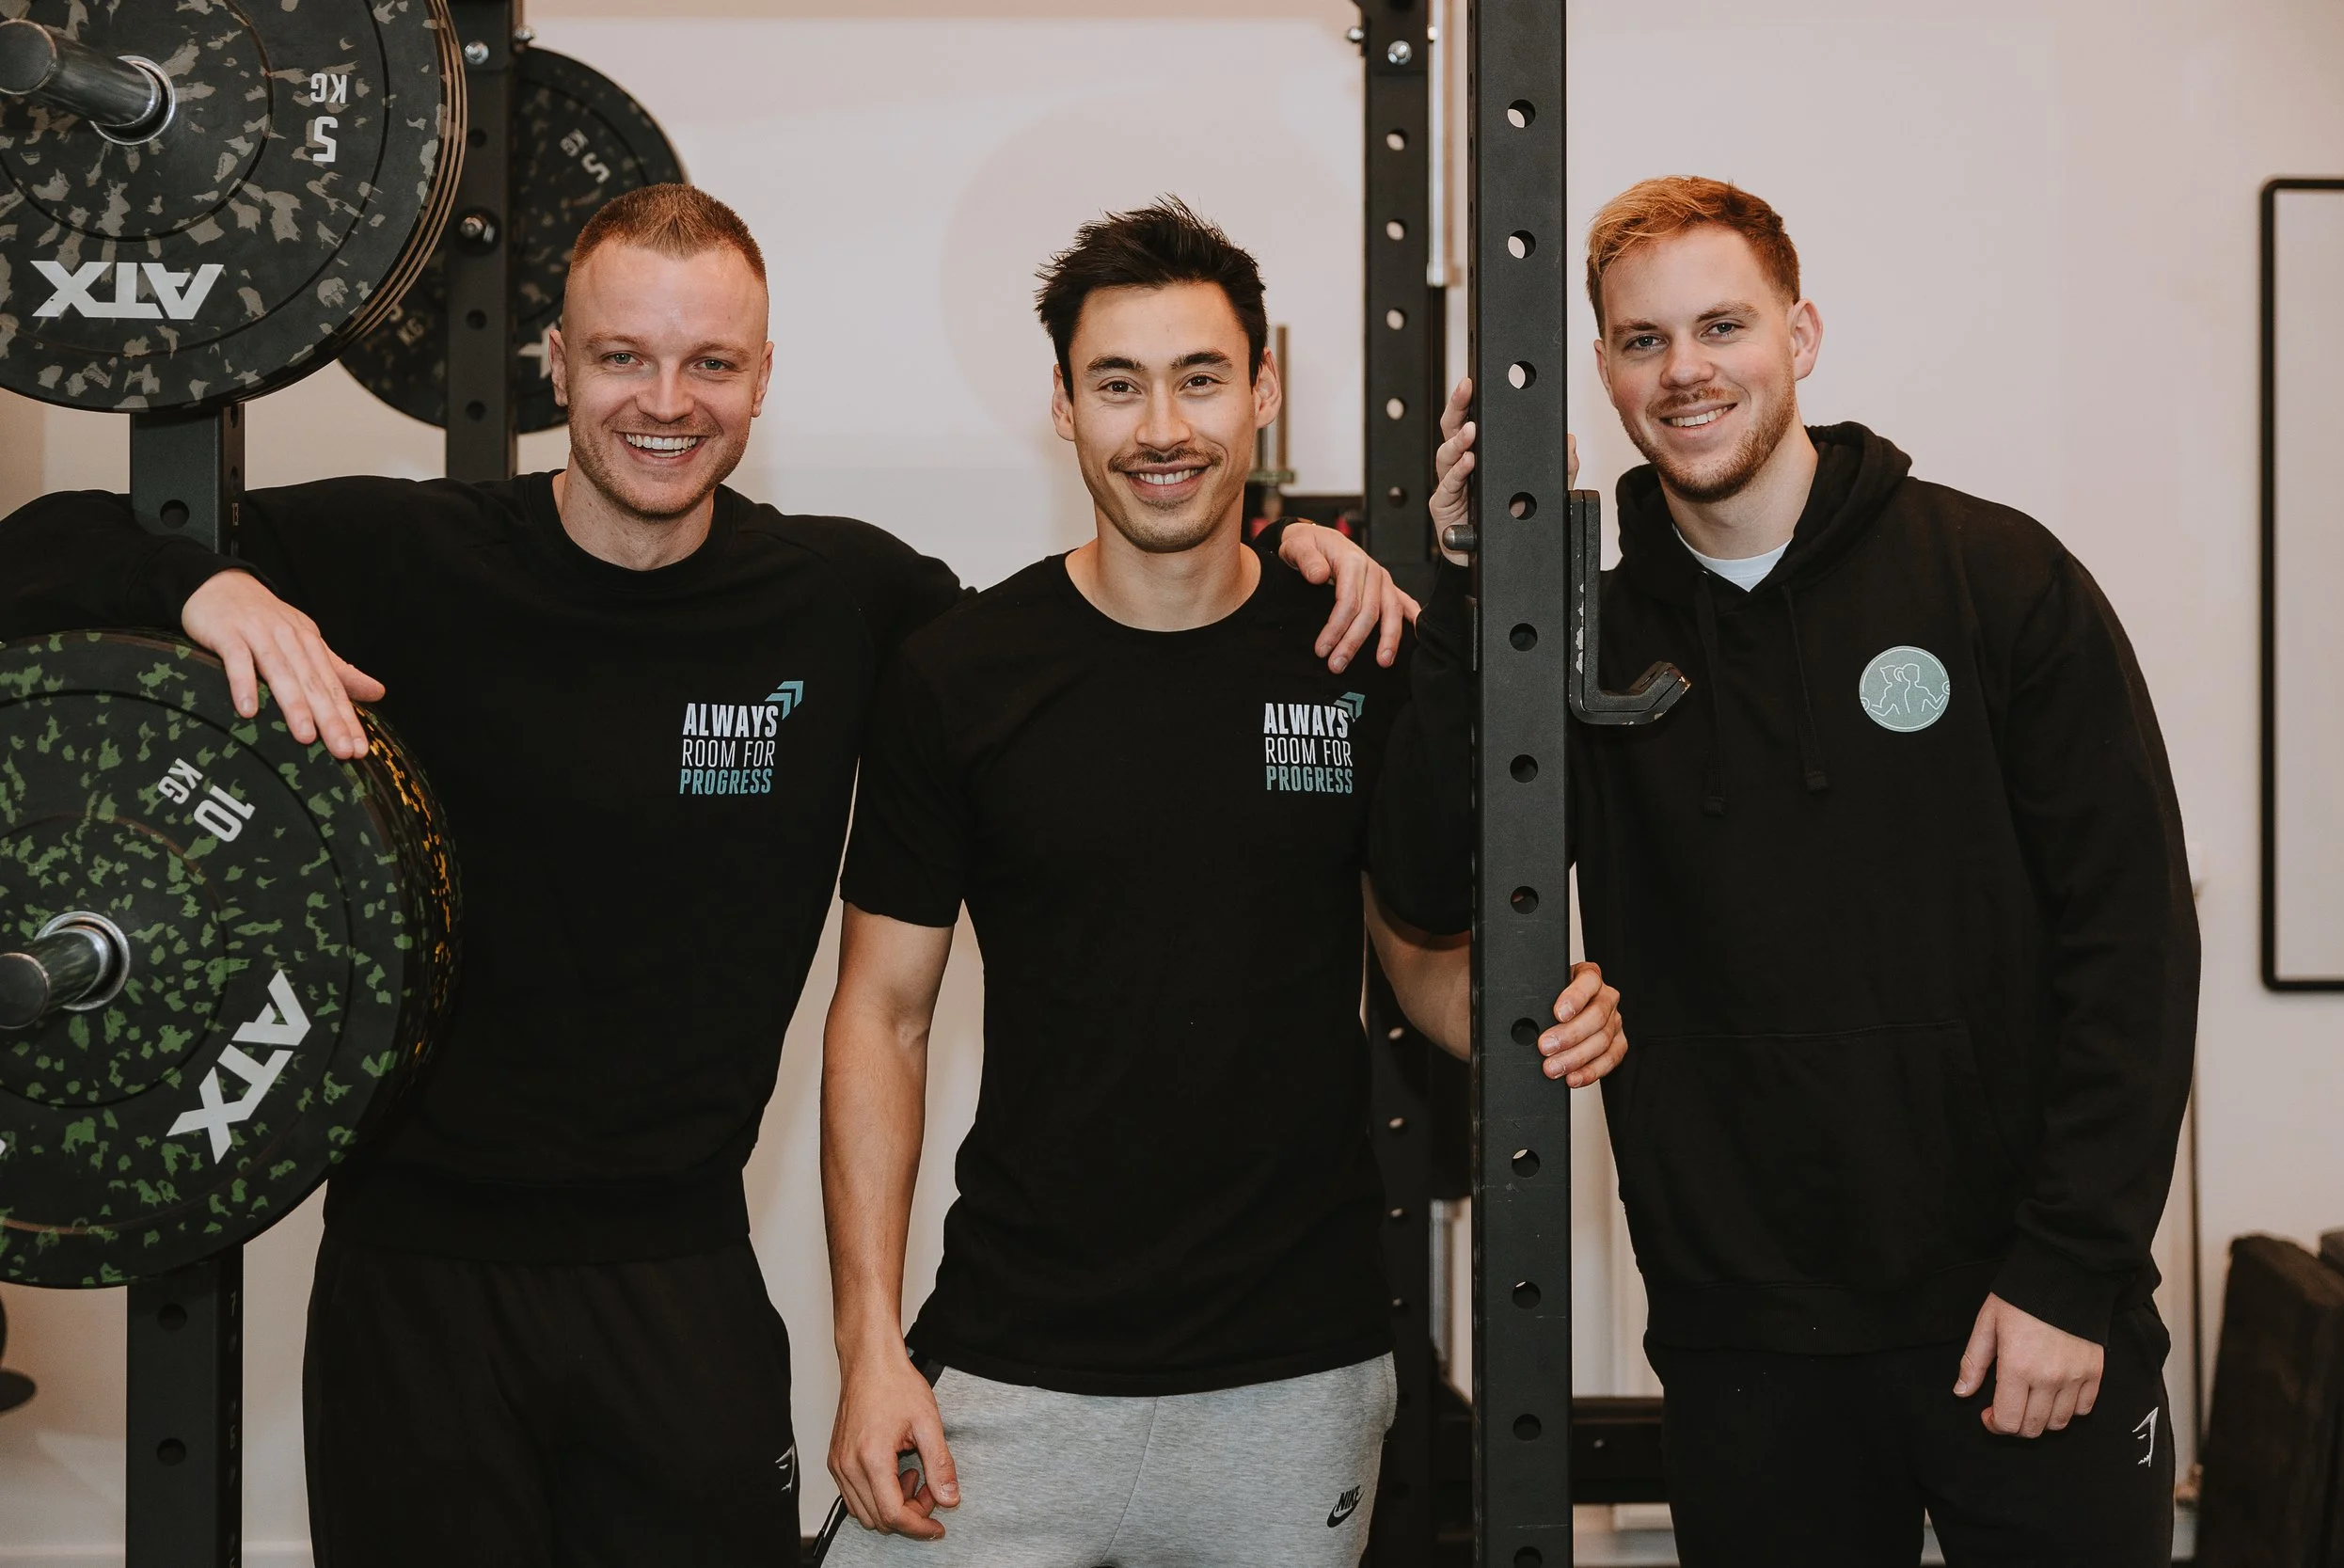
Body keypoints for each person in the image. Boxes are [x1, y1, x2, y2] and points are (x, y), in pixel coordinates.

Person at [0, 183, 1419, 1568]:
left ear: (762, 380)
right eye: (623, 356)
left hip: (682, 1271)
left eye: (711, 364)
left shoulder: (849, 599)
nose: (666, 401)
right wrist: (203, 585)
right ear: (558, 363)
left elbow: (1088, 646)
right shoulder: (400, 555)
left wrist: (1289, 553)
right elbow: (40, 547)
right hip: (409, 1279)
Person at [1393, 176, 2198, 1566]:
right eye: (1642, 341)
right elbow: (1424, 877)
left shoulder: (1995, 580)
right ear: (1604, 372)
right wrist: (1478, 586)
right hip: (1746, 1342)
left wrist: (2073, 1270)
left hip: (2023, 1313)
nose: (1685, 371)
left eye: (1723, 326)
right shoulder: (1589, 636)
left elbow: (2133, 944)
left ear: (1801, 334)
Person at [817, 199, 1627, 1566]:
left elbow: (1420, 964)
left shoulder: (1352, 653)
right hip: (1013, 1366)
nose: (1162, 428)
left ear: (1264, 389)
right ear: (1062, 406)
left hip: (1294, 1381)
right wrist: (869, 1346)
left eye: (1200, 378)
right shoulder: (961, 676)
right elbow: (880, 1016)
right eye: (1117, 384)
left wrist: (1539, 1017)